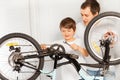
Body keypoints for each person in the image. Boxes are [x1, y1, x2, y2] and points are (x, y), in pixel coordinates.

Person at [75, 0, 115, 80]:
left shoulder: (109, 25)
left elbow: (116, 43)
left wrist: (112, 41)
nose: (83, 18)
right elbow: (69, 42)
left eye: (86, 15)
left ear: (96, 14)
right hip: (88, 69)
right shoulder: (78, 27)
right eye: (82, 15)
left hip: (108, 70)